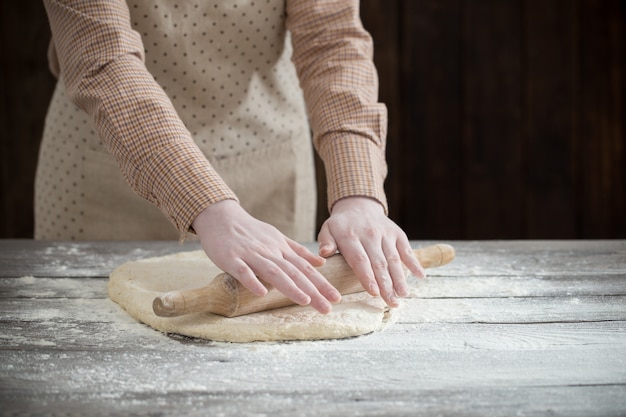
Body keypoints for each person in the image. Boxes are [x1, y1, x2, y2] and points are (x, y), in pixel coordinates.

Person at [37, 0, 424, 314]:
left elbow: (332, 42)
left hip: (269, 172)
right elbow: (104, 60)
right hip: (106, 172)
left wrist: (358, 194)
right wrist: (207, 204)